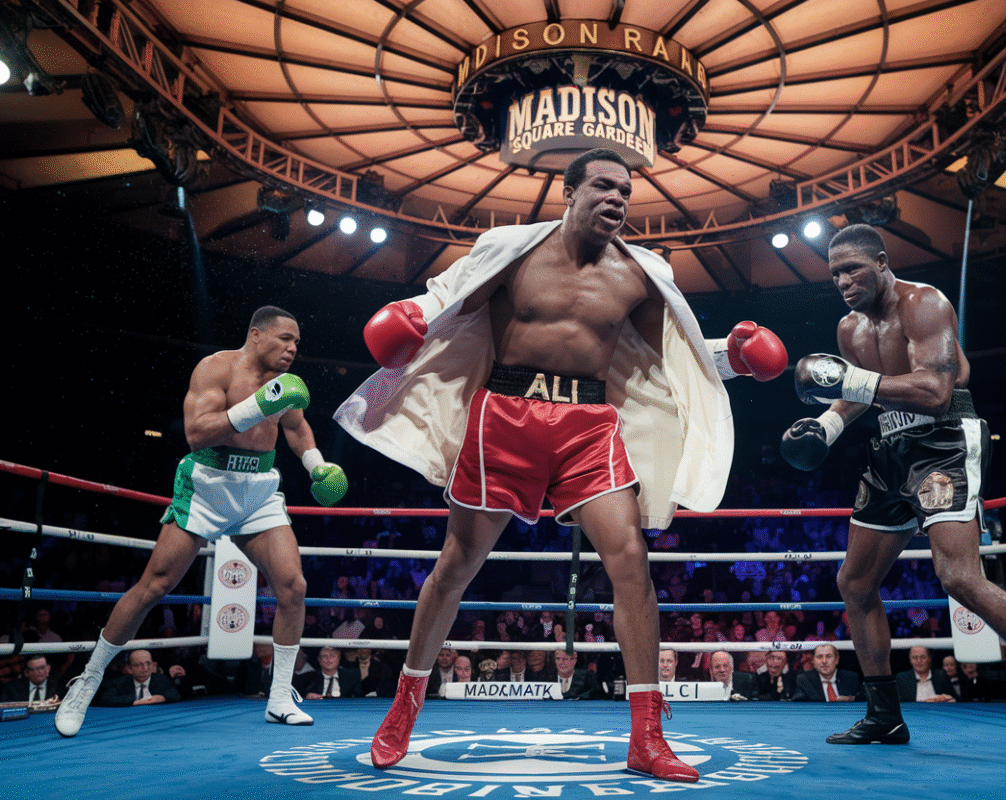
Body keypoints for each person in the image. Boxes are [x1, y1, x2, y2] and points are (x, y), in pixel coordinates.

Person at [335, 148, 788, 783]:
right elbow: (446, 299)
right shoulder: (510, 248)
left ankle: (648, 738)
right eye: (603, 186)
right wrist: (410, 318)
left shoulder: (643, 273)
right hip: (506, 415)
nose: (617, 200)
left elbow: (676, 358)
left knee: (630, 561)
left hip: (589, 424)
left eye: (626, 192)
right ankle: (404, 708)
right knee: (456, 564)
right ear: (568, 192)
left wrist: (735, 358)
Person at [779, 224, 1006, 768]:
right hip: (889, 448)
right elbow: (858, 396)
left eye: (853, 269)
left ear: (882, 262)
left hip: (942, 443)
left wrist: (846, 384)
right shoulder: (848, 329)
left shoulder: (925, 304)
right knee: (855, 580)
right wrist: (825, 426)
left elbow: (938, 391)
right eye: (835, 273)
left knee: (959, 576)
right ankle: (884, 713)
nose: (843, 281)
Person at [54, 306, 348, 737]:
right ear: (256, 334)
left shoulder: (284, 385)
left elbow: (296, 427)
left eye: (297, 343)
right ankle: (87, 681)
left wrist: (316, 464)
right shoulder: (215, 369)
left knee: (293, 586)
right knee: (155, 584)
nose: (293, 349)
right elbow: (197, 433)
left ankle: (280, 697)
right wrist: (255, 406)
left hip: (258, 488)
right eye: (285, 339)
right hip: (208, 483)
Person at [96, 650, 181, 706]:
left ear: (153, 665)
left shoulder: (160, 679)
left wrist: (162, 698)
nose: (145, 668)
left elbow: (175, 694)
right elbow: (105, 699)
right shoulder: (119, 683)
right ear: (129, 669)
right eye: (138, 665)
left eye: (148, 663)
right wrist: (138, 701)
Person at [792, 643, 861, 702]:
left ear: (836, 659)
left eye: (829, 656)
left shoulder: (851, 677)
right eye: (819, 657)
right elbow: (798, 702)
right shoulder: (804, 680)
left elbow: (864, 697)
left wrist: (851, 698)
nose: (824, 661)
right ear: (813, 661)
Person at [295, 646, 361, 699]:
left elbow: (358, 698)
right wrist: (306, 697)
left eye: (332, 656)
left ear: (339, 658)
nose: (328, 659)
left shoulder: (352, 676)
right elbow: (297, 697)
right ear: (319, 659)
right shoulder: (308, 678)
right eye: (324, 656)